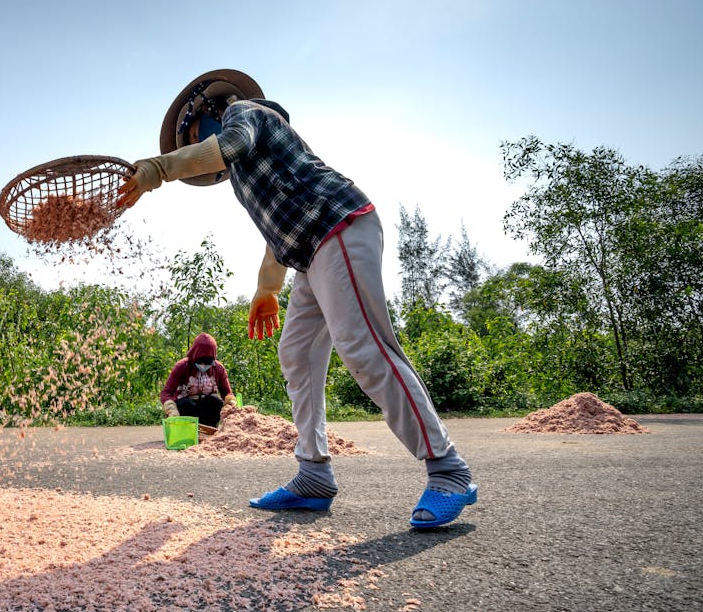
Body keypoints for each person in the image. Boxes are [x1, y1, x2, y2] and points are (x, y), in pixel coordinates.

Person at [118, 69, 477, 529]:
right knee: (296, 353)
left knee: (363, 347)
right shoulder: (251, 172)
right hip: (310, 250)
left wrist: (159, 168)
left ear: (204, 113)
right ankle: (313, 475)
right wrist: (267, 289)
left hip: (338, 225)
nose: (198, 150)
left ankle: (448, 470)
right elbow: (279, 226)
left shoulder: (244, 113)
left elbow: (230, 144)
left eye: (192, 139)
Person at [159, 332, 238, 432]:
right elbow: (166, 392)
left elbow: (227, 393)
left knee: (216, 401)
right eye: (200, 361)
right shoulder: (181, 366)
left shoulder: (218, 369)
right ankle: (185, 429)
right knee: (186, 404)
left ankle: (209, 429)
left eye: (207, 361)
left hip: (207, 411)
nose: (203, 365)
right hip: (186, 410)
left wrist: (231, 404)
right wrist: (171, 410)